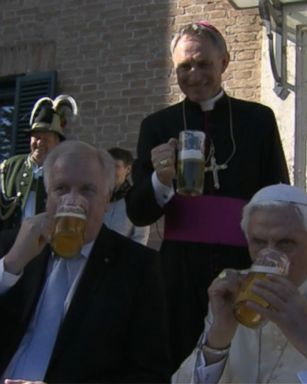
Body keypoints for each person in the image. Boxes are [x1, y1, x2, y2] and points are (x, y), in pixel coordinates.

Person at [125, 20, 290, 370]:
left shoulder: (258, 120)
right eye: (184, 66)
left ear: (225, 62)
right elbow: (138, 213)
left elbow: (279, 193)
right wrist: (160, 178)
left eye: (203, 64)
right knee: (182, 360)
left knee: (244, 360)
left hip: (246, 264)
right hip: (179, 274)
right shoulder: (156, 126)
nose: (194, 74)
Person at [0, 141, 170, 383]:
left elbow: (151, 376)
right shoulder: (12, 247)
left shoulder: (137, 267)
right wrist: (10, 266)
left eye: (87, 190)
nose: (72, 200)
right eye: (61, 188)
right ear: (48, 196)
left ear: (107, 198)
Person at [172, 183, 307, 383]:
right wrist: (219, 335)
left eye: (285, 243)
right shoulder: (235, 293)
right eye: (259, 242)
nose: (269, 255)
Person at [0, 95, 78, 230]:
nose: (40, 142)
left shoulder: (68, 173)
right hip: (10, 246)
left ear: (57, 142)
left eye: (46, 138)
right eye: (36, 137)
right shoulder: (10, 167)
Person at [104, 147, 150, 245]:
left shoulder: (136, 198)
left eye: (116, 166)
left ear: (128, 169)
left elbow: (141, 237)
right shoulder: (97, 196)